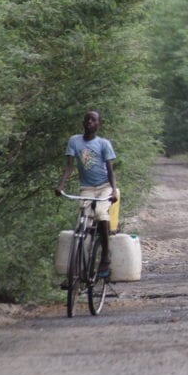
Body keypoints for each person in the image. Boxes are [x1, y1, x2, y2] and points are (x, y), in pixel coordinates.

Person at [55, 110, 119, 276]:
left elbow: (111, 171)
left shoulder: (104, 144)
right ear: (83, 123)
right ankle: (76, 271)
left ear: (99, 124)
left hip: (104, 186)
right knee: (83, 221)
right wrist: (61, 185)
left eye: (94, 120)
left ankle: (105, 254)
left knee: (100, 213)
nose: (90, 122)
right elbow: (69, 167)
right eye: (87, 120)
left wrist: (113, 191)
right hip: (87, 188)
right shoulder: (74, 141)